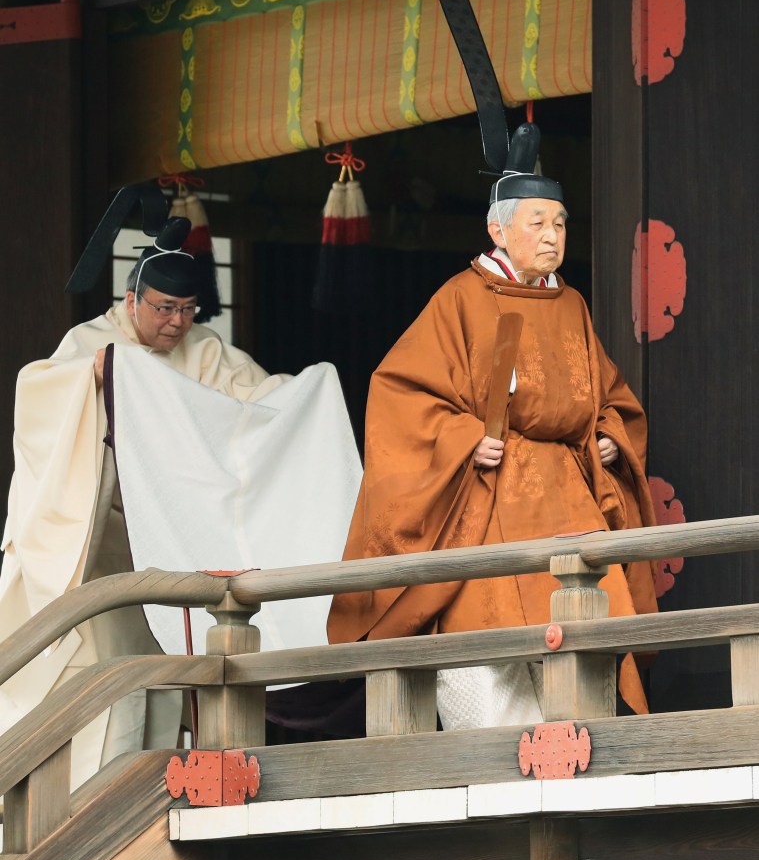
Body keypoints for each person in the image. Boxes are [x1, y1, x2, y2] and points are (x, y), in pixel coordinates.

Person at [327, 166, 659, 729]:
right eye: (537, 223)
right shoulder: (460, 298)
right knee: (489, 678)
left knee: (581, 678)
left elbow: (610, 394)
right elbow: (401, 394)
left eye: (560, 223)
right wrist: (462, 440)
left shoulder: (571, 303)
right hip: (488, 498)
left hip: (567, 500)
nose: (552, 235)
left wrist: (608, 434)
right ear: (498, 231)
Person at [0, 237, 287, 786]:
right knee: (110, 670)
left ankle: (154, 786)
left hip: (170, 541)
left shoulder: (206, 351)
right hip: (103, 541)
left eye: (187, 310)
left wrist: (301, 394)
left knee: (169, 670)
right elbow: (36, 392)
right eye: (163, 308)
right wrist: (96, 378)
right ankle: (97, 794)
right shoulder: (92, 342)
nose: (176, 322)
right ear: (131, 302)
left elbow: (258, 404)